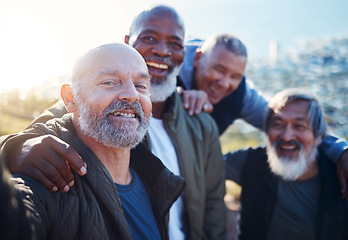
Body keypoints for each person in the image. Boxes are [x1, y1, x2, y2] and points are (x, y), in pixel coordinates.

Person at [1, 5, 226, 239]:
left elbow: (213, 208)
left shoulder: (197, 120)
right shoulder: (83, 112)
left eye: (141, 85)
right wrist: (13, 149)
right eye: (110, 82)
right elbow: (37, 136)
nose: (162, 51)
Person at [6, 43, 186, 239]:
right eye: (109, 82)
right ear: (71, 98)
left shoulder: (153, 177)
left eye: (141, 85)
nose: (132, 94)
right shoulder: (47, 179)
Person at [178, 33, 348, 201]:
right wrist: (176, 102)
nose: (225, 83)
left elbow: (283, 120)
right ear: (198, 58)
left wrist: (342, 152)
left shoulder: (241, 95)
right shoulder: (169, 69)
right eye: (219, 69)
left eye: (235, 76)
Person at [225, 88, 348, 240]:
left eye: (299, 126)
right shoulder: (251, 162)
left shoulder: (346, 179)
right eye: (278, 125)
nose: (287, 136)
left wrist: (344, 152)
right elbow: (202, 165)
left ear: (319, 136)